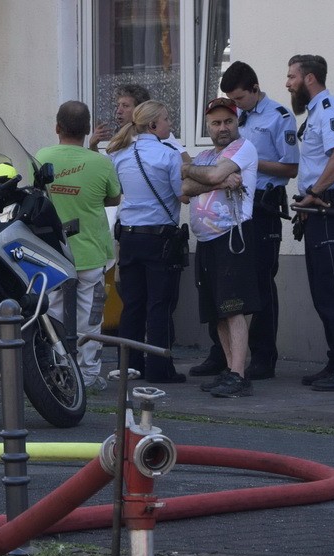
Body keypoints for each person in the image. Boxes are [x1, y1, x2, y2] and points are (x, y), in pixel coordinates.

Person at [191, 61, 300, 380]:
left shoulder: (278, 117)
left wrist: (244, 163)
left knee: (260, 282)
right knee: (221, 285)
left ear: (255, 90)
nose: (234, 108)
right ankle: (221, 355)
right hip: (225, 210)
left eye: (238, 100)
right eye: (229, 102)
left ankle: (263, 356)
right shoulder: (231, 119)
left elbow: (290, 167)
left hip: (261, 206)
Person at [286, 54, 334, 391]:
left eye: (292, 76)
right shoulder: (318, 110)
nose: (287, 82)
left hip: (327, 206)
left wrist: (314, 192)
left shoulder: (331, 109)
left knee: (333, 292)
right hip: (317, 209)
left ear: (310, 79)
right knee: (323, 293)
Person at [36, 101, 123, 392]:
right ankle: (87, 376)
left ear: (57, 127)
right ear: (87, 130)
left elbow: (38, 196)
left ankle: (58, 370)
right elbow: (114, 199)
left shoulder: (41, 157)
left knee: (53, 316)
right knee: (91, 318)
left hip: (53, 254)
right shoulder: (101, 163)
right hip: (91, 253)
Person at [181, 97, 259, 398]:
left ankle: (239, 374)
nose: (222, 127)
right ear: (208, 127)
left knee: (233, 309)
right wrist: (215, 181)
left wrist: (198, 174)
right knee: (218, 312)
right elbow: (184, 189)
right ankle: (229, 370)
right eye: (216, 123)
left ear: (236, 121)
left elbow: (204, 176)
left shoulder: (243, 148)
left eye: (228, 121)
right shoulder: (203, 157)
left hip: (232, 237)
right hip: (207, 241)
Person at [106, 100, 187, 384]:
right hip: (159, 238)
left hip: (128, 236)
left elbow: (114, 191)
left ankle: (129, 365)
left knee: (132, 304)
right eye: (166, 119)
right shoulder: (168, 155)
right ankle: (159, 368)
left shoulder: (119, 154)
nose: (170, 124)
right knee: (159, 305)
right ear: (153, 125)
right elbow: (182, 194)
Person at [90, 84, 192, 163]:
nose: (118, 111)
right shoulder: (121, 139)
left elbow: (187, 163)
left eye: (125, 106)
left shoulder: (161, 135)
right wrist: (93, 145)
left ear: (140, 109)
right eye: (118, 106)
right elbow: (103, 168)